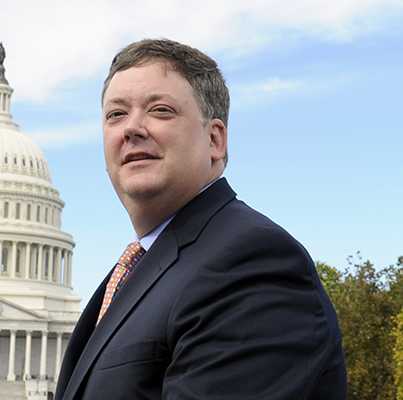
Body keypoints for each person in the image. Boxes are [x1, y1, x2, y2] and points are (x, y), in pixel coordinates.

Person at [55, 39, 347, 400]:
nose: (131, 128)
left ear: (214, 140)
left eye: (160, 110)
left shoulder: (252, 261)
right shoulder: (139, 271)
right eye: (116, 115)